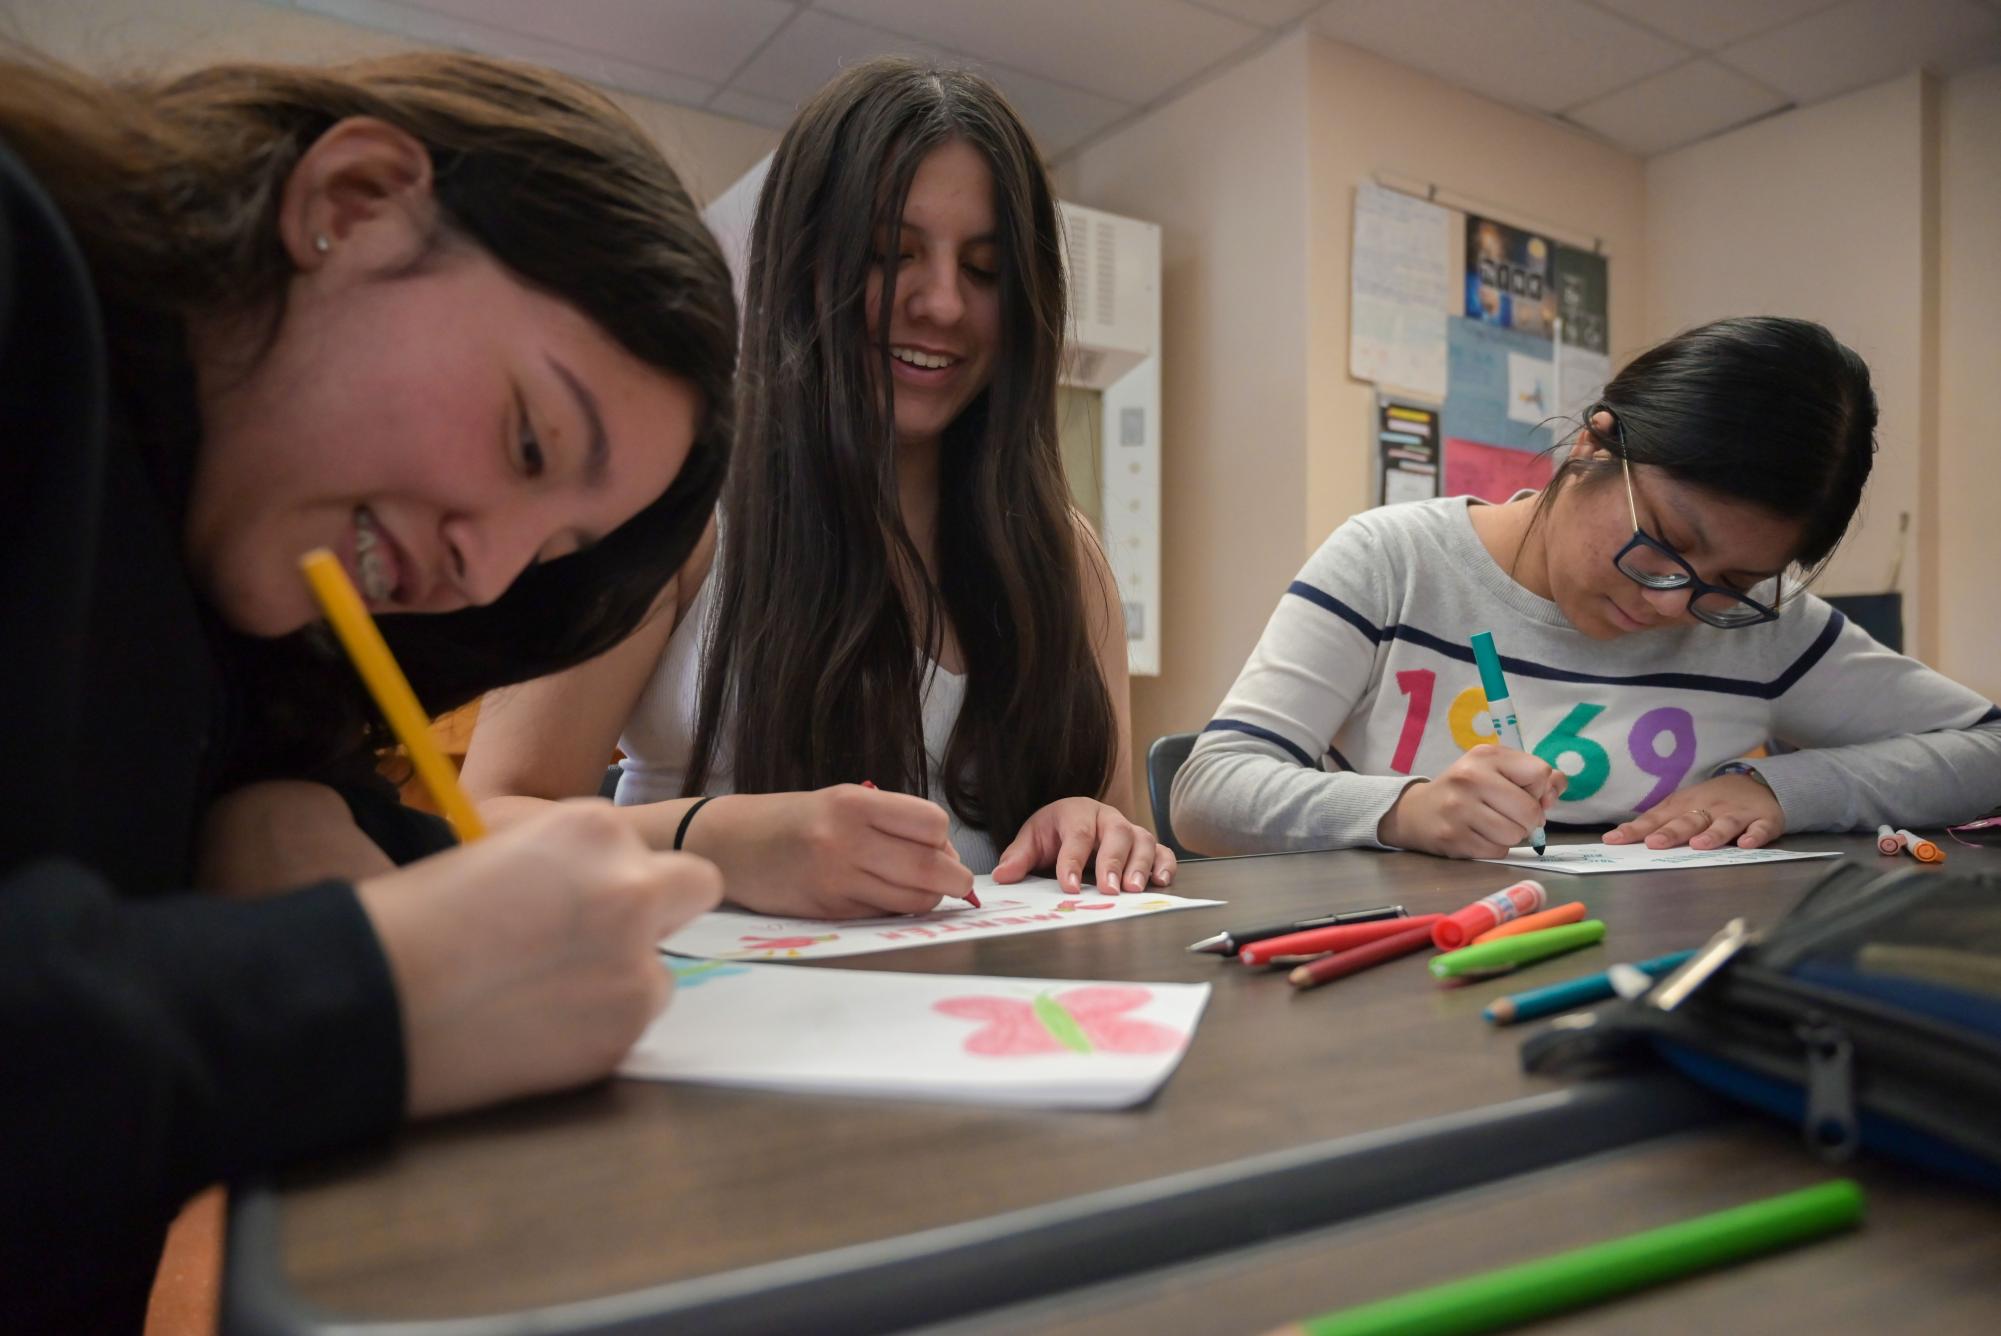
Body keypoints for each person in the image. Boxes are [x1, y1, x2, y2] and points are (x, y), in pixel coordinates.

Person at [1, 51, 738, 1328]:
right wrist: (376, 984)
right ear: (351, 199)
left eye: (553, 552)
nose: (486, 568)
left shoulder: (238, 625)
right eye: (527, 442)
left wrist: (283, 811)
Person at [462, 58, 1175, 916]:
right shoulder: (674, 505)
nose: (943, 304)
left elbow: (1112, 830)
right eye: (887, 254)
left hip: (993, 1028)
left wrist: (1092, 826)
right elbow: (487, 824)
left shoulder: (1067, 556)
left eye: (985, 271)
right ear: (802, 264)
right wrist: (717, 838)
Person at [1173, 317, 2001, 860]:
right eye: (1669, 543)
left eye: (1735, 582)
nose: (1677, 603)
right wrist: (1402, 811)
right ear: (1594, 446)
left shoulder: (1760, 630)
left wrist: (1783, 788)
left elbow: (1989, 751)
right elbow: (1208, 793)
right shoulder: (1392, 563)